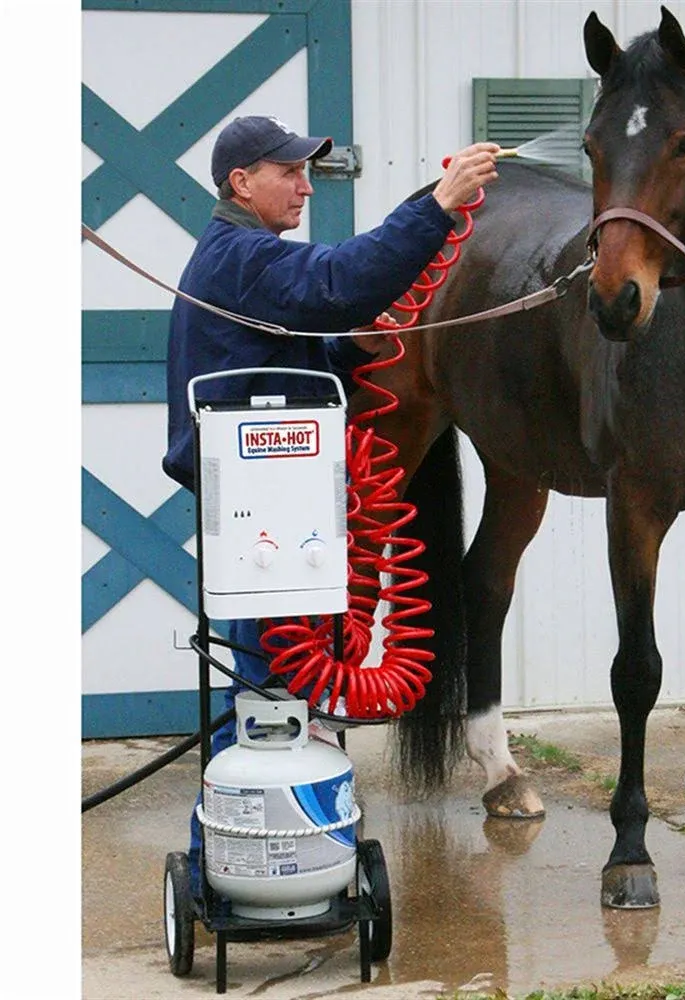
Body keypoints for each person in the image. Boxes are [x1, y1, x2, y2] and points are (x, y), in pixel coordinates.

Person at [161, 113, 500, 898]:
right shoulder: (240, 256)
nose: (306, 185)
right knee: (266, 692)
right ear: (242, 183)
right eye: (290, 171)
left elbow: (282, 340)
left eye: (309, 171)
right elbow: (340, 281)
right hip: (260, 514)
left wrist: (347, 351)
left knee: (276, 691)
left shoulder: (243, 262)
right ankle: (232, 863)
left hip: (273, 510)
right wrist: (439, 203)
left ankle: (275, 860)